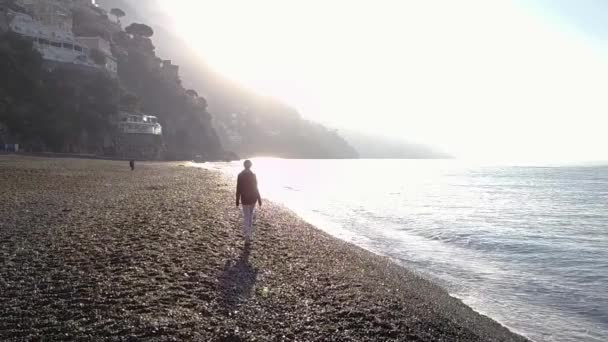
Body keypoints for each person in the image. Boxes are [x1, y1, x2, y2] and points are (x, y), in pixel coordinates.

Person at [236, 160, 262, 244]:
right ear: (250, 166)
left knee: (246, 216)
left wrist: (237, 199)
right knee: (250, 216)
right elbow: (256, 187)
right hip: (253, 198)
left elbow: (238, 188)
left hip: (244, 198)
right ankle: (249, 234)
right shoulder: (253, 175)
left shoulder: (240, 175)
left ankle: (247, 234)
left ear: (244, 166)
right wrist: (259, 199)